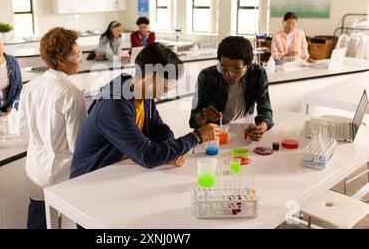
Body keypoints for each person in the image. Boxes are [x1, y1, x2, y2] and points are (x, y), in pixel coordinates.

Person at [71, 43, 219, 179]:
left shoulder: (143, 95)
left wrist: (170, 152)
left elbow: (160, 130)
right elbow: (147, 156)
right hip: (90, 178)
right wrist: (196, 137)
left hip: (117, 171)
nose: (170, 88)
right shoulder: (114, 105)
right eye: (170, 82)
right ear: (152, 77)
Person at [18, 27, 87, 229]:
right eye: (76, 55)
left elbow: (21, 130)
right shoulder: (71, 93)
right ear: (59, 60)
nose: (81, 59)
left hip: (35, 169)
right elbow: (78, 146)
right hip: (63, 173)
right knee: (78, 218)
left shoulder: (30, 87)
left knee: (38, 220)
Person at [189, 36, 274, 142]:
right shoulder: (206, 76)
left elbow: (266, 112)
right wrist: (203, 115)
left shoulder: (257, 74)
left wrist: (260, 128)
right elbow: (193, 120)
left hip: (243, 131)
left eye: (237, 70)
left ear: (247, 67)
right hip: (212, 137)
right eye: (223, 68)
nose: (229, 75)